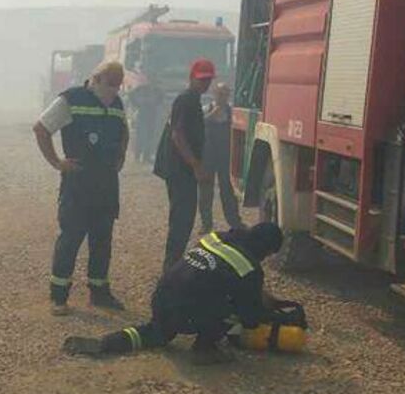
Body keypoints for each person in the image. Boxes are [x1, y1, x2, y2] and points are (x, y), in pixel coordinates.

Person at [62, 223, 305, 365]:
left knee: (158, 332)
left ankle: (107, 344)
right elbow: (251, 316)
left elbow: (218, 272)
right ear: (266, 249)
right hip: (189, 311)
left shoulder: (218, 236)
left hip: (162, 297)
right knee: (234, 312)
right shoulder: (250, 268)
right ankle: (205, 348)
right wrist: (281, 319)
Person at [33, 61, 129, 316]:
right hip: (79, 182)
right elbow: (41, 128)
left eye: (118, 85)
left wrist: (121, 154)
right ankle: (59, 296)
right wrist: (57, 162)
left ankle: (99, 293)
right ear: (95, 79)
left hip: (107, 184)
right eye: (111, 84)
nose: (114, 90)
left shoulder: (117, 104)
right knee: (71, 239)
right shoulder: (71, 99)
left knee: (102, 240)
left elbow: (124, 130)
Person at [154, 58, 216, 273]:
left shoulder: (192, 100)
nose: (205, 84)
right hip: (180, 169)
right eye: (202, 80)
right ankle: (171, 267)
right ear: (192, 78)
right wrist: (195, 165)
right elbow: (178, 135)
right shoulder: (186, 99)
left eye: (208, 80)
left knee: (184, 217)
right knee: (182, 218)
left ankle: (173, 263)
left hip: (181, 168)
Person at [199, 82, 244, 234]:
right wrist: (213, 114)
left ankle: (235, 222)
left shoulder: (233, 113)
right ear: (213, 94)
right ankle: (206, 224)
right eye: (219, 94)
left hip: (226, 157)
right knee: (206, 191)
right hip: (208, 156)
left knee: (228, 190)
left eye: (225, 94)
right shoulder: (206, 109)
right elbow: (198, 125)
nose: (222, 97)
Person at [128, 82, 163, 163]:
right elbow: (131, 95)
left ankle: (146, 156)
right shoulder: (141, 87)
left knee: (150, 136)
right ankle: (137, 156)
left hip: (151, 113)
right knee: (140, 135)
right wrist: (137, 104)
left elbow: (161, 96)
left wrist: (155, 103)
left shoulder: (156, 88)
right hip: (142, 113)